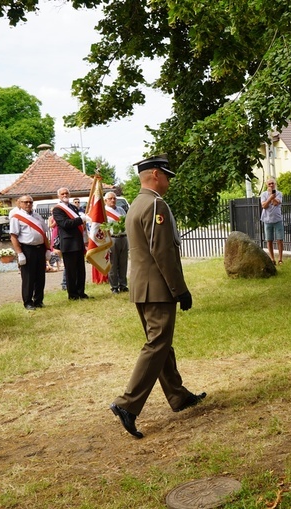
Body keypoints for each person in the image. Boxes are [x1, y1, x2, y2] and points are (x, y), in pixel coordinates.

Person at [110, 155, 205, 439]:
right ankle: (127, 404)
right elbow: (162, 252)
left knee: (162, 344)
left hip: (143, 287)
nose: (169, 180)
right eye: (167, 175)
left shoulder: (137, 203)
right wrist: (180, 289)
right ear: (154, 174)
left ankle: (177, 395)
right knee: (157, 344)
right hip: (157, 288)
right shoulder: (155, 204)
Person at [9, 195, 51, 310]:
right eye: (25, 202)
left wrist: (48, 249)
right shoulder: (16, 217)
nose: (28, 204)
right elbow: (13, 236)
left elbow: (44, 233)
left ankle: (38, 300)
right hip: (27, 249)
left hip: (40, 248)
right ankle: (28, 302)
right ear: (19, 203)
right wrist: (19, 253)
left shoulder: (37, 216)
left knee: (40, 276)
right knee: (28, 278)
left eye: (30, 202)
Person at [52, 187, 90, 300]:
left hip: (78, 242)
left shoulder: (73, 207)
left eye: (67, 193)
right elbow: (65, 224)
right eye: (62, 193)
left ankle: (81, 293)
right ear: (59, 196)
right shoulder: (57, 209)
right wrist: (80, 219)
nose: (65, 195)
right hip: (68, 243)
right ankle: (73, 295)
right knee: (71, 271)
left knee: (80, 270)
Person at [105, 191, 129, 293]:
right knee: (113, 264)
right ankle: (114, 286)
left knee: (123, 263)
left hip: (123, 237)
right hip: (112, 238)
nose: (113, 200)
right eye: (110, 198)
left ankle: (123, 284)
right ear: (106, 200)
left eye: (114, 198)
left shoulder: (121, 210)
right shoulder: (104, 211)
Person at [260, 177, 284, 265]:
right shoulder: (263, 194)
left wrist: (272, 197)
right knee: (269, 240)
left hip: (277, 220)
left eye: (272, 183)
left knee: (279, 240)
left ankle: (280, 259)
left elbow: (275, 203)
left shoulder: (279, 193)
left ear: (275, 184)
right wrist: (270, 196)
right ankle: (272, 258)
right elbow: (264, 206)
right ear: (267, 185)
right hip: (267, 220)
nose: (271, 185)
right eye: (269, 184)